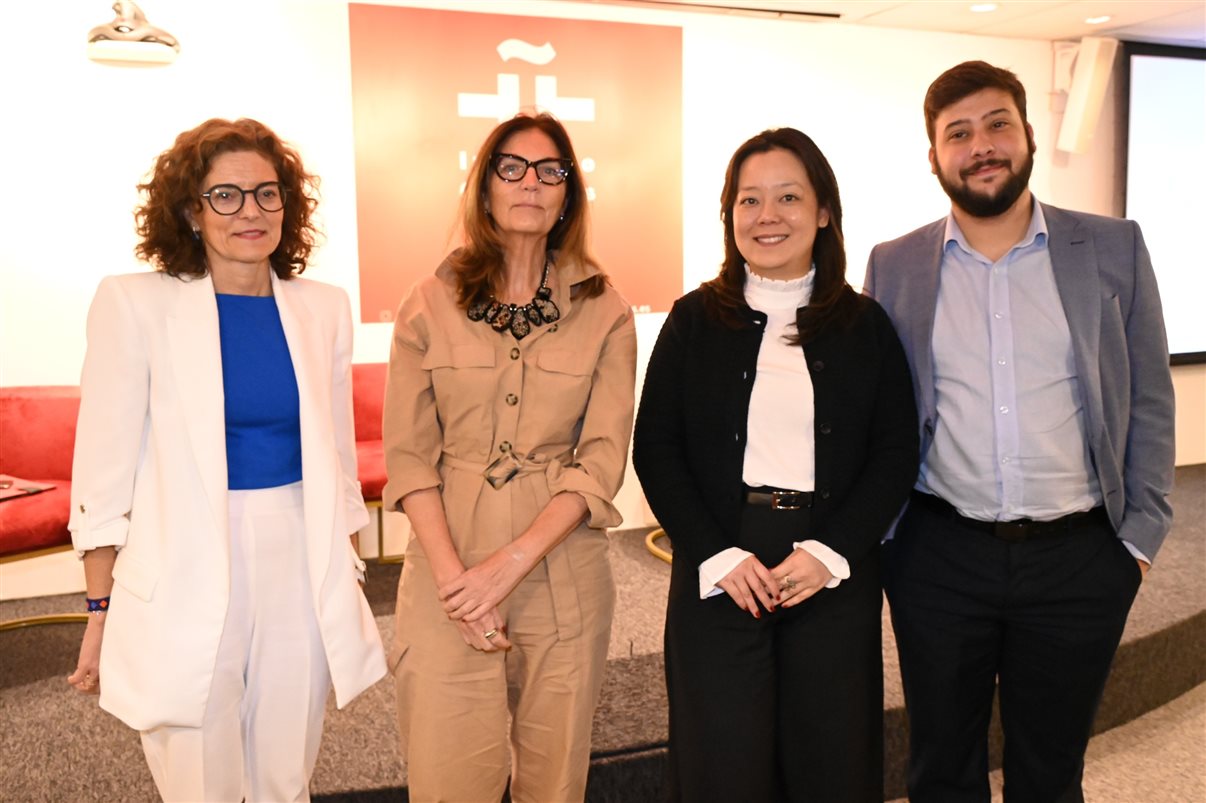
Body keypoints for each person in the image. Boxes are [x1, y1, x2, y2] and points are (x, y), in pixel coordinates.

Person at [864, 61, 1176, 803]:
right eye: (958, 133)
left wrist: (1136, 542)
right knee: (940, 767)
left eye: (997, 123)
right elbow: (878, 410)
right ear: (934, 155)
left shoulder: (1112, 247)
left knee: (1049, 769)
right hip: (938, 556)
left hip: (1080, 559)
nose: (981, 146)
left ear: (1028, 134)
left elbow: (1152, 398)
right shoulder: (896, 264)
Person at [67, 118, 386, 802]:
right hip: (183, 562)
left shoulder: (322, 308)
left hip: (298, 558)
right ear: (191, 209)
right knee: (199, 777)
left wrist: (348, 572)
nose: (252, 212)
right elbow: (104, 467)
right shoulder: (136, 304)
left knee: (284, 774)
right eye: (228, 195)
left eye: (268, 194)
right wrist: (100, 608)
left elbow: (334, 453)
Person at [633, 128, 919, 803]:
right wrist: (717, 555)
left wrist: (831, 550)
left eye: (789, 197)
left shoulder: (865, 325)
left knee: (832, 760)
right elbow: (656, 448)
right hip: (722, 567)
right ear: (729, 215)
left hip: (829, 568)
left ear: (824, 210)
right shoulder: (694, 320)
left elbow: (896, 451)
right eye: (749, 200)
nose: (768, 216)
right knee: (720, 763)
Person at [382, 112, 636, 802]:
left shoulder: (606, 307)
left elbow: (601, 460)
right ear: (484, 185)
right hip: (446, 571)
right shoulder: (427, 304)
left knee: (555, 782)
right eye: (512, 167)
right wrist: (460, 583)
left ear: (568, 194)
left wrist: (511, 563)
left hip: (562, 568)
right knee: (447, 774)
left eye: (550, 170)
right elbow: (408, 459)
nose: (531, 183)